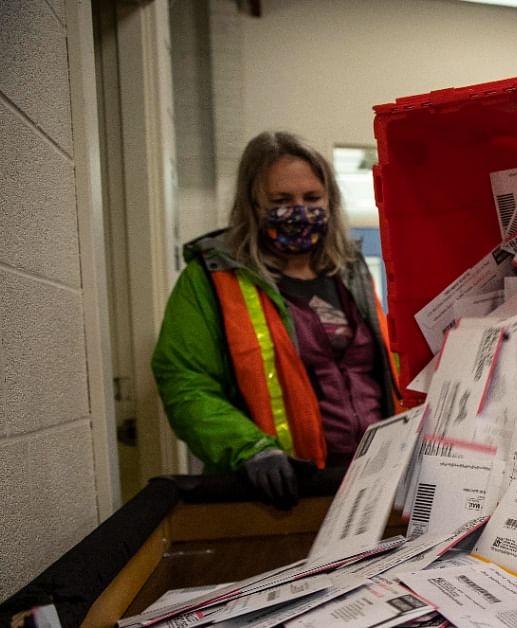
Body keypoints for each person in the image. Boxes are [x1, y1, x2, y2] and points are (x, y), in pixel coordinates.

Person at [152, 131, 399, 508]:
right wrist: (250, 449)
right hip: (278, 494)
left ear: (330, 200)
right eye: (281, 200)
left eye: (312, 198)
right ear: (253, 204)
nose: (299, 210)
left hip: (369, 484)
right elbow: (185, 382)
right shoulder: (213, 278)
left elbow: (383, 370)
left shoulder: (349, 273)